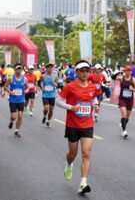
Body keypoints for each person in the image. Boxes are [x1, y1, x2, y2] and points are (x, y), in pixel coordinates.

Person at [56, 60, 99, 194]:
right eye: (82, 70)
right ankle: (69, 164)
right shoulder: (70, 86)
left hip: (87, 124)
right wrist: (71, 107)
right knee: (72, 154)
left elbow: (93, 99)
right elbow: (58, 101)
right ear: (76, 72)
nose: (85, 73)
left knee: (86, 153)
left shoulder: (92, 87)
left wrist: (96, 105)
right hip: (72, 125)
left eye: (87, 70)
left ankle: (83, 182)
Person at [114, 65, 135, 139]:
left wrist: (132, 89)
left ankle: (122, 125)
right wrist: (119, 72)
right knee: (124, 114)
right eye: (127, 70)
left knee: (127, 117)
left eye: (130, 70)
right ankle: (124, 131)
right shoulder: (121, 77)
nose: (128, 72)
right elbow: (112, 77)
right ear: (125, 71)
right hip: (122, 99)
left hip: (130, 100)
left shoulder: (133, 79)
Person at [5, 63, 28, 137]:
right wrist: (10, 92)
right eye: (17, 69)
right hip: (13, 100)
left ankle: (17, 130)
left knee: (20, 116)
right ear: (15, 70)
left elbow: (28, 87)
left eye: (20, 69)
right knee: (13, 116)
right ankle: (11, 121)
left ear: (22, 70)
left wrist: (27, 90)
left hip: (21, 100)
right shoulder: (11, 78)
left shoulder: (25, 79)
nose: (19, 70)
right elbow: (5, 86)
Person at [39, 63, 59, 127]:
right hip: (45, 94)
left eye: (51, 67)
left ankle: (48, 121)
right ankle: (45, 116)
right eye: (48, 67)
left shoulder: (55, 76)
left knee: (51, 110)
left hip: (52, 95)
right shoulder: (43, 76)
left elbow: (58, 84)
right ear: (46, 68)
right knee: (46, 109)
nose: (50, 69)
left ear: (52, 68)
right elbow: (39, 83)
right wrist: (42, 88)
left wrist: (55, 84)